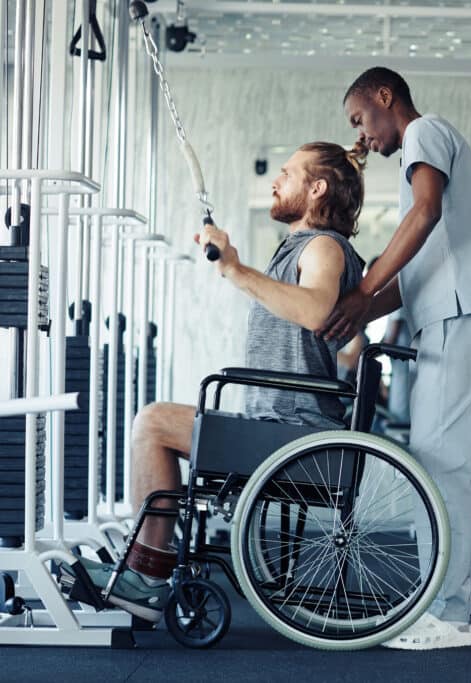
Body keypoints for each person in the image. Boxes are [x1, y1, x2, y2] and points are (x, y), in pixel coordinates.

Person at [70, 141, 367, 621]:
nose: (276, 180)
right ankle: (146, 569)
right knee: (157, 423)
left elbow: (313, 309)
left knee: (153, 424)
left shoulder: (324, 247)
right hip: (277, 425)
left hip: (292, 433)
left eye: (288, 174)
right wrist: (236, 264)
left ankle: (146, 577)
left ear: (317, 189)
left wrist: (233, 267)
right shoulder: (300, 247)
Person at [322, 66, 471, 650]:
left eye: (360, 119)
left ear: (386, 97)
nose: (364, 136)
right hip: (447, 312)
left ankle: (450, 616)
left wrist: (360, 291)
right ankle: (440, 603)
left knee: (447, 464)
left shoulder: (426, 131)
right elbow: (416, 271)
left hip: (460, 313)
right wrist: (361, 311)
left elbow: (424, 216)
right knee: (433, 460)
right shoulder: (418, 161)